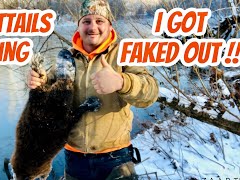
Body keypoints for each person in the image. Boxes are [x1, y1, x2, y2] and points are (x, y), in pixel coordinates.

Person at [27, 0, 159, 179]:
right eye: (86, 21)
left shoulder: (123, 54)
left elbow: (150, 92)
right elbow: (46, 96)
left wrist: (122, 82)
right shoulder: (67, 58)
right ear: (79, 26)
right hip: (74, 159)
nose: (93, 27)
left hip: (115, 159)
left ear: (110, 26)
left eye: (99, 21)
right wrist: (38, 83)